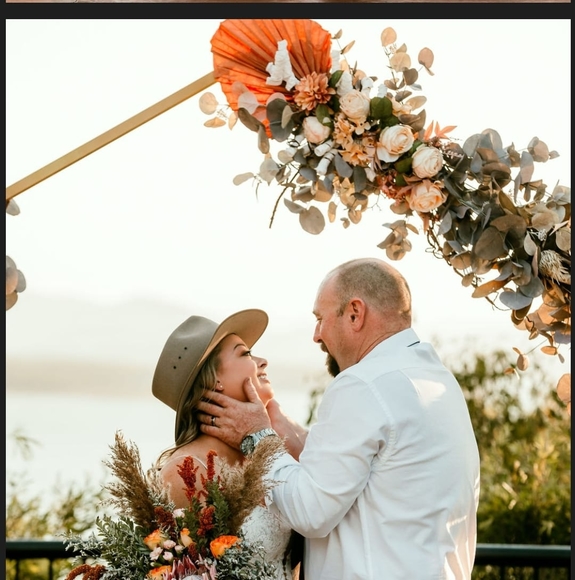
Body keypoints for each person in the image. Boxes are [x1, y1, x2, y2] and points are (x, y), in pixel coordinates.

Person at [196, 257, 481, 580]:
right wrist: (299, 440)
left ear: (355, 313)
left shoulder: (363, 384)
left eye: (320, 318)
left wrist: (258, 436)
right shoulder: (437, 380)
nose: (316, 336)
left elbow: (310, 511)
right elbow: (378, 472)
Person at [151, 309, 302, 580]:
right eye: (246, 353)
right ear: (213, 381)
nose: (263, 361)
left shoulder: (266, 454)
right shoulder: (185, 472)